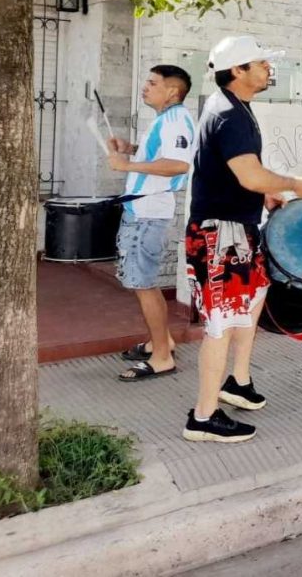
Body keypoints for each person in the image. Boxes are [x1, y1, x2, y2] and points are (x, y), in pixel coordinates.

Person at [183, 36, 302, 443]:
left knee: (252, 302)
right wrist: (295, 184)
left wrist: (265, 192)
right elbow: (247, 173)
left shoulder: (233, 109)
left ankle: (237, 383)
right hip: (220, 235)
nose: (268, 69)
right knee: (220, 325)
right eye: (260, 63)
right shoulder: (228, 113)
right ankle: (203, 418)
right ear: (238, 70)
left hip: (235, 229)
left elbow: (239, 173)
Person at [108, 65, 196, 382]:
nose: (145, 87)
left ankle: (162, 357)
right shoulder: (164, 120)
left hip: (147, 214)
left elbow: (177, 164)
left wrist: (127, 163)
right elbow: (160, 155)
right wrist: (131, 149)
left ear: (172, 90)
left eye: (152, 83)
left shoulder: (175, 120)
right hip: (140, 211)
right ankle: (161, 342)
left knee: (144, 285)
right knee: (143, 283)